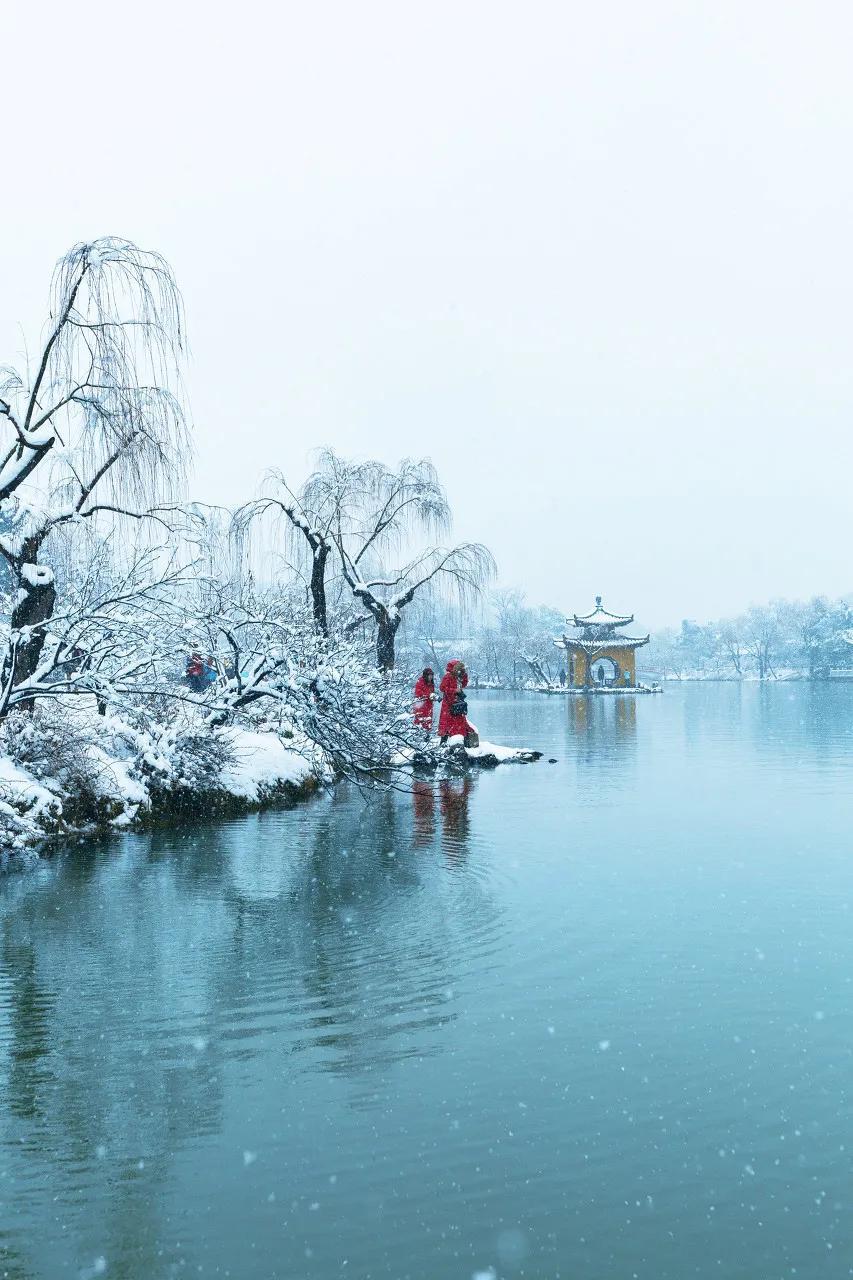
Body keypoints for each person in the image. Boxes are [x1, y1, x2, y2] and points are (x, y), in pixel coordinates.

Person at [438, 659, 474, 744]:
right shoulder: (448, 676)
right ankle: (444, 743)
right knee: (447, 724)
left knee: (458, 723)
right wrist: (454, 690)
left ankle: (459, 741)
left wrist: (464, 674)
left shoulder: (458, 676)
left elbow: (464, 684)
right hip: (449, 704)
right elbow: (442, 688)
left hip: (457, 703)